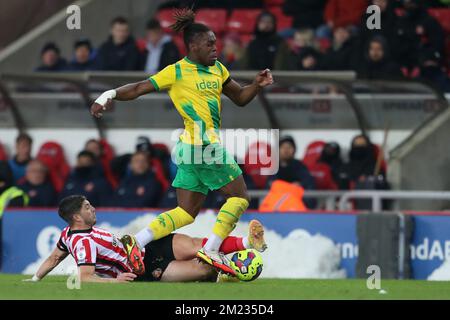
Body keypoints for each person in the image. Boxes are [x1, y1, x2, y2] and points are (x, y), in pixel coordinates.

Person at [90, 8, 273, 275]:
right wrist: (108, 94)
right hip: (202, 146)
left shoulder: (218, 69)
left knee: (186, 212)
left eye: (215, 42)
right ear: (193, 46)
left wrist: (256, 85)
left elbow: (241, 98)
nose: (215, 47)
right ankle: (211, 249)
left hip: (189, 150)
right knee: (240, 198)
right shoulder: (176, 72)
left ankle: (137, 241)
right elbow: (140, 87)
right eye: (209, 43)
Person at [25, 195, 267, 283]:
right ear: (77, 216)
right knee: (203, 269)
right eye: (88, 207)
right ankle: (226, 274)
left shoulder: (67, 235)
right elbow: (85, 278)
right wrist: (116, 282)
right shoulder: (82, 242)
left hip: (144, 247)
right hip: (145, 269)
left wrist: (35, 279)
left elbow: (54, 257)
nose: (93, 209)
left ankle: (248, 243)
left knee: (197, 245)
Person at [267, 136, 316, 208]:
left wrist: (300, 186)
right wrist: (291, 187)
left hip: (296, 207)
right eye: (283, 147)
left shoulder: (300, 166)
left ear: (294, 150)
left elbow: (308, 184)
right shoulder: (273, 168)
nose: (286, 150)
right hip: (276, 206)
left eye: (289, 147)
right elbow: (270, 186)